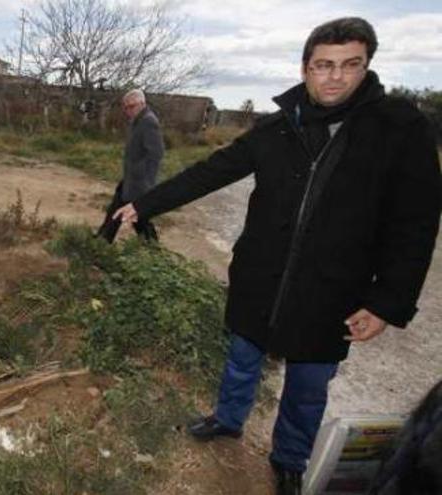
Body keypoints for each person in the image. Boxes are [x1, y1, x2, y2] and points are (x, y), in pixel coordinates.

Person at [113, 17, 441, 495]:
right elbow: (212, 171)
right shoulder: (278, 127)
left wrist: (388, 302)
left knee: (307, 388)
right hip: (260, 277)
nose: (335, 76)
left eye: (350, 65)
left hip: (332, 290)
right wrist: (144, 203)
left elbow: (415, 224)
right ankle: (227, 421)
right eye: (323, 65)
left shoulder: (398, 129)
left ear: (366, 65)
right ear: (305, 68)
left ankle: (289, 460)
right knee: (242, 359)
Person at [96, 89, 164, 243]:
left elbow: (156, 153)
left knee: (140, 218)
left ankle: (152, 248)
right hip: (130, 179)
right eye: (125, 107)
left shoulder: (148, 121)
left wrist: (138, 172)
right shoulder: (138, 120)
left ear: (142, 103)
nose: (128, 110)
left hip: (140, 182)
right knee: (115, 211)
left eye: (131, 106)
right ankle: (101, 241)